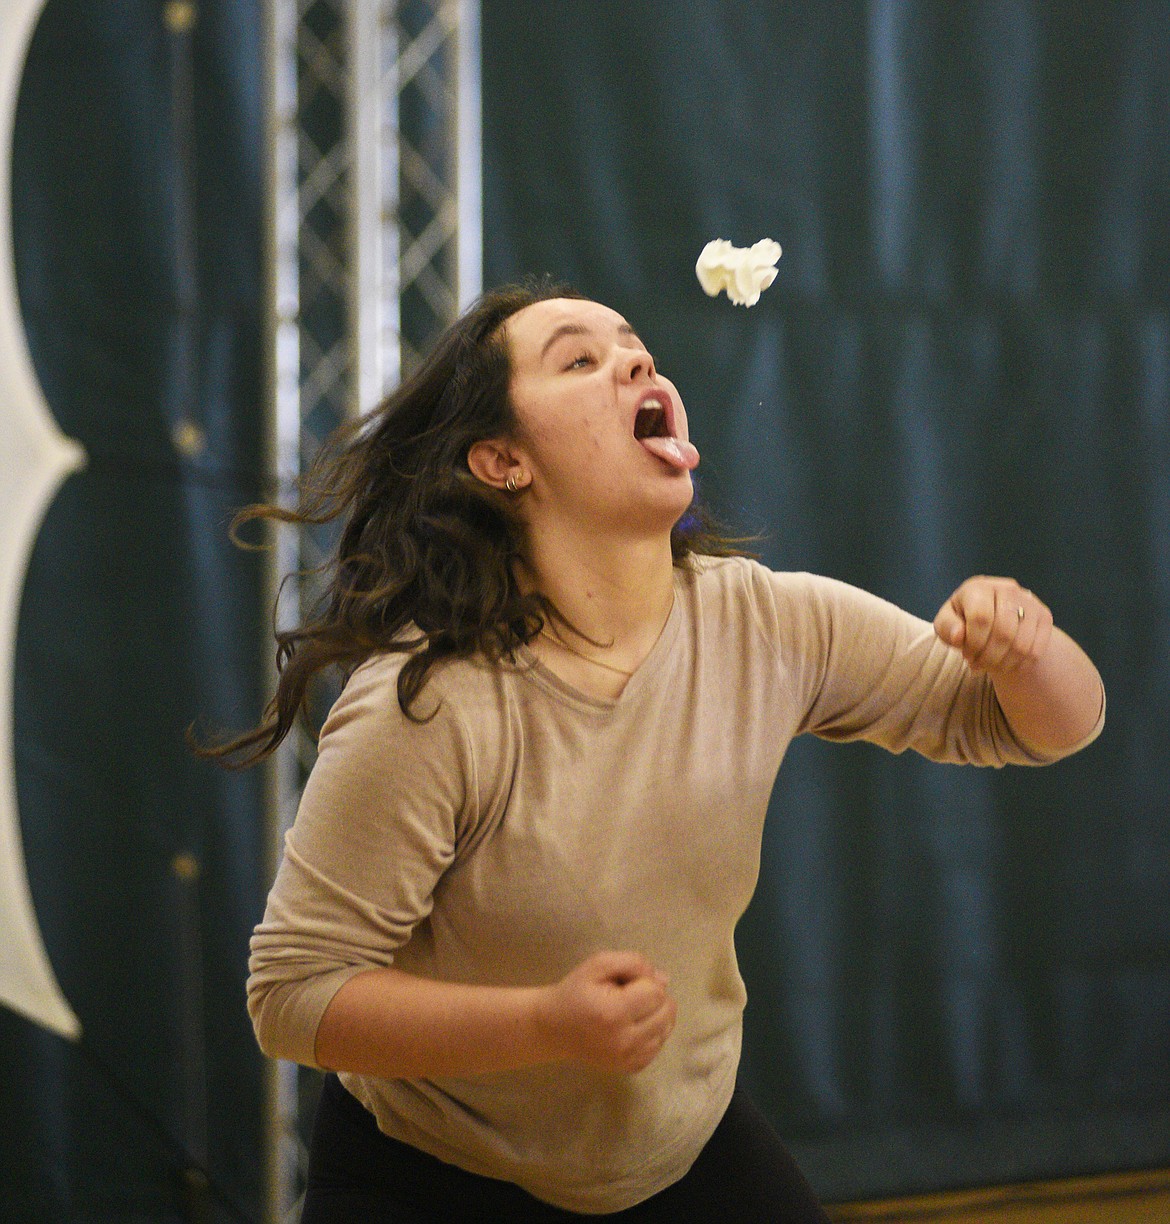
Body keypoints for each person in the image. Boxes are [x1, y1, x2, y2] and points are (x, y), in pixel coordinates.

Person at [215, 281, 1105, 1222]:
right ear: (503, 460)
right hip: (436, 1173)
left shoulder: (770, 621)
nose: (636, 362)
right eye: (579, 359)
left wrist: (1027, 651)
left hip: (683, 1153)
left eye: (634, 347)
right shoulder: (431, 703)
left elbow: (1047, 726)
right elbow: (293, 995)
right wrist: (546, 1024)